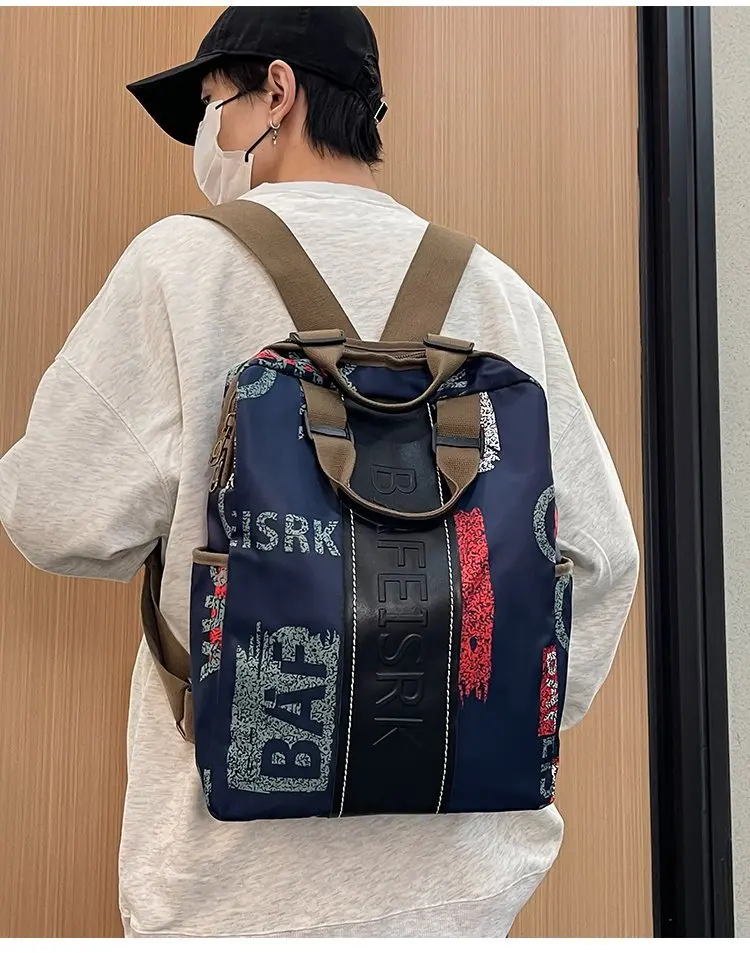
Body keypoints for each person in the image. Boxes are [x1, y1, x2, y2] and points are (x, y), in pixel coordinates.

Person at [0, 6, 639, 940]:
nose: (210, 138)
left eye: (212, 106)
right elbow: (603, 559)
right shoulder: (497, 291)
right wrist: (486, 715)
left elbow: (56, 517)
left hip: (234, 884)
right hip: (462, 878)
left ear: (278, 92)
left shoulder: (181, 267)